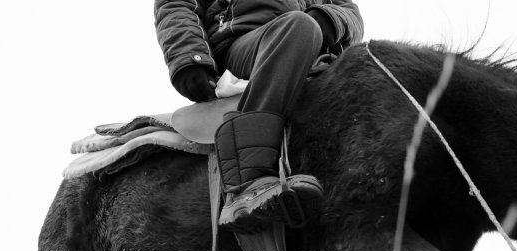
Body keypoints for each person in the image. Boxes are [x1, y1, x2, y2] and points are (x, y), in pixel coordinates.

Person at [154, 1, 364, 232]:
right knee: (300, 26)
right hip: (244, 45)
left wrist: (330, 17)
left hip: (314, 53)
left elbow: (348, 10)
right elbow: (176, 4)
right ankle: (247, 184)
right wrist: (189, 57)